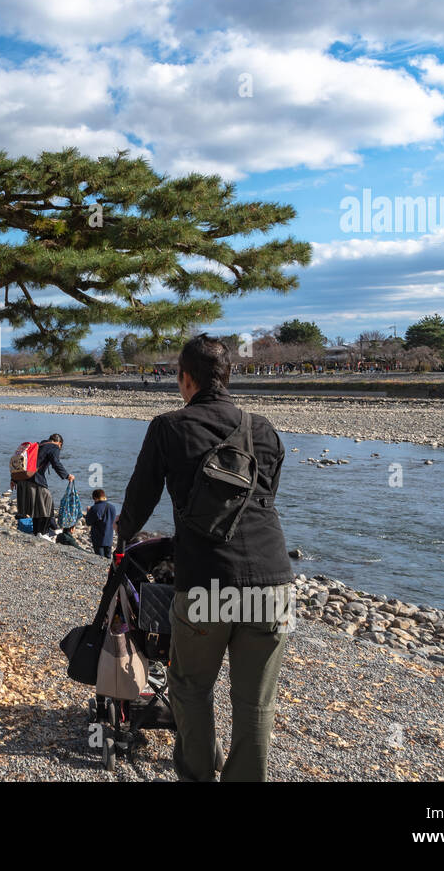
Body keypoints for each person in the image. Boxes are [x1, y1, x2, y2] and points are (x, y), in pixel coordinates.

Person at [116, 334, 293, 782]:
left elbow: (139, 500)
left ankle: (197, 775)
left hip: (205, 582)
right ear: (229, 377)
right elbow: (264, 498)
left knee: (191, 687)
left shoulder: (168, 427)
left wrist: (122, 541)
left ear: (186, 378)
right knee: (256, 702)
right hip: (272, 582)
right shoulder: (264, 430)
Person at [27, 433, 72, 540]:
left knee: (37, 506)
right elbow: (56, 463)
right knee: (47, 505)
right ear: (59, 443)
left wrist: (14, 479)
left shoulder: (40, 445)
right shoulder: (54, 447)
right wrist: (67, 475)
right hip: (37, 479)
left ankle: (37, 532)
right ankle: (43, 533)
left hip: (26, 478)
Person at [84, 488, 118, 558]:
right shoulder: (112, 507)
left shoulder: (94, 508)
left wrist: (88, 512)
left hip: (98, 538)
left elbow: (88, 522)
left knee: (100, 558)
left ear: (95, 498)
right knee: (108, 558)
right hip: (109, 537)